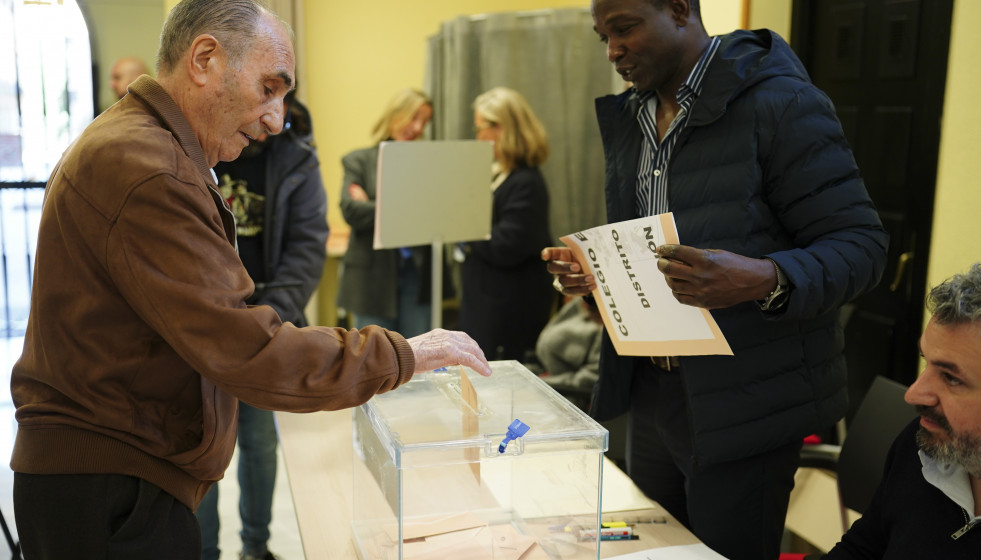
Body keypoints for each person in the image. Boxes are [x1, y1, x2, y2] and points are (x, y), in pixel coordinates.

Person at [9, 2, 490, 559]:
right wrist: (402, 354)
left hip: (113, 475)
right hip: (111, 487)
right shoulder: (149, 166)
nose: (277, 119)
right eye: (268, 88)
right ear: (205, 59)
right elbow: (247, 348)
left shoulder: (143, 145)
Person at [543, 1, 889, 558]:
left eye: (625, 29)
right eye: (602, 36)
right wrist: (600, 272)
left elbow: (862, 248)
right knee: (651, 552)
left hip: (746, 404)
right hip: (652, 393)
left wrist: (761, 278)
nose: (612, 51)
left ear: (680, 10)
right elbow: (654, 245)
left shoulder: (782, 104)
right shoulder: (631, 118)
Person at [194, 91, 326, 560]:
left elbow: (307, 250)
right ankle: (204, 552)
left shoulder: (297, 159)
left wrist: (266, 324)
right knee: (199, 446)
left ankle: (257, 547)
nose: (268, 116)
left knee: (257, 440)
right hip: (200, 327)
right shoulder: (192, 145)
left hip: (265, 328)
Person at [821, 263, 981, 558]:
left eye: (951, 378)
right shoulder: (922, 445)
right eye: (926, 362)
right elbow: (862, 549)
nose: (913, 394)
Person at [336, 88, 449, 338]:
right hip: (372, 278)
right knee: (374, 359)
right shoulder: (359, 161)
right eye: (414, 117)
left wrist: (374, 203)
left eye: (425, 122)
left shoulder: (427, 164)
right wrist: (410, 207)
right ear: (396, 115)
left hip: (416, 275)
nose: (419, 128)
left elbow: (439, 212)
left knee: (418, 356)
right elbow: (352, 211)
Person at [458, 87, 555, 361]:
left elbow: (504, 246)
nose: (478, 138)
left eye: (480, 129)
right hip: (487, 300)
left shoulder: (526, 183)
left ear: (501, 128)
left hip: (509, 309)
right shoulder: (500, 175)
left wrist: (462, 226)